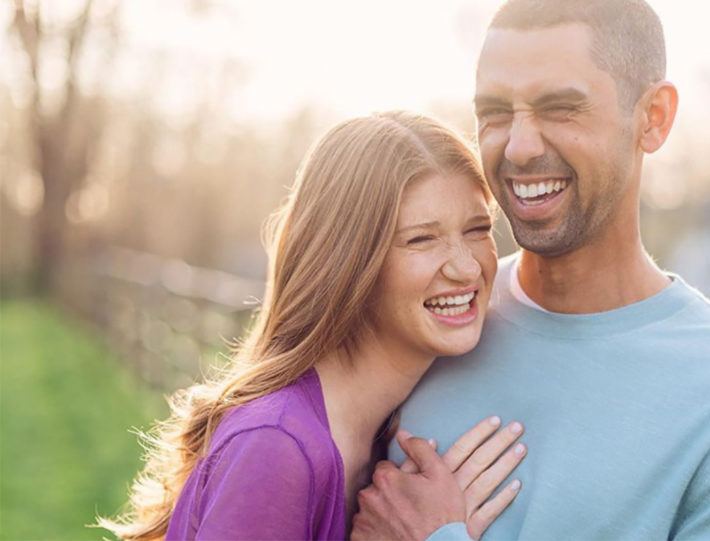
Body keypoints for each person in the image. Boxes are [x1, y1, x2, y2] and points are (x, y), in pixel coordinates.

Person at [351, 0, 710, 541]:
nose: (518, 146)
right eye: (495, 112)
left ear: (654, 117)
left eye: (560, 108)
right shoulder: (428, 318)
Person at [99, 111, 528, 541]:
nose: (466, 266)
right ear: (348, 261)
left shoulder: (384, 435)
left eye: (478, 229)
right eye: (422, 239)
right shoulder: (276, 447)